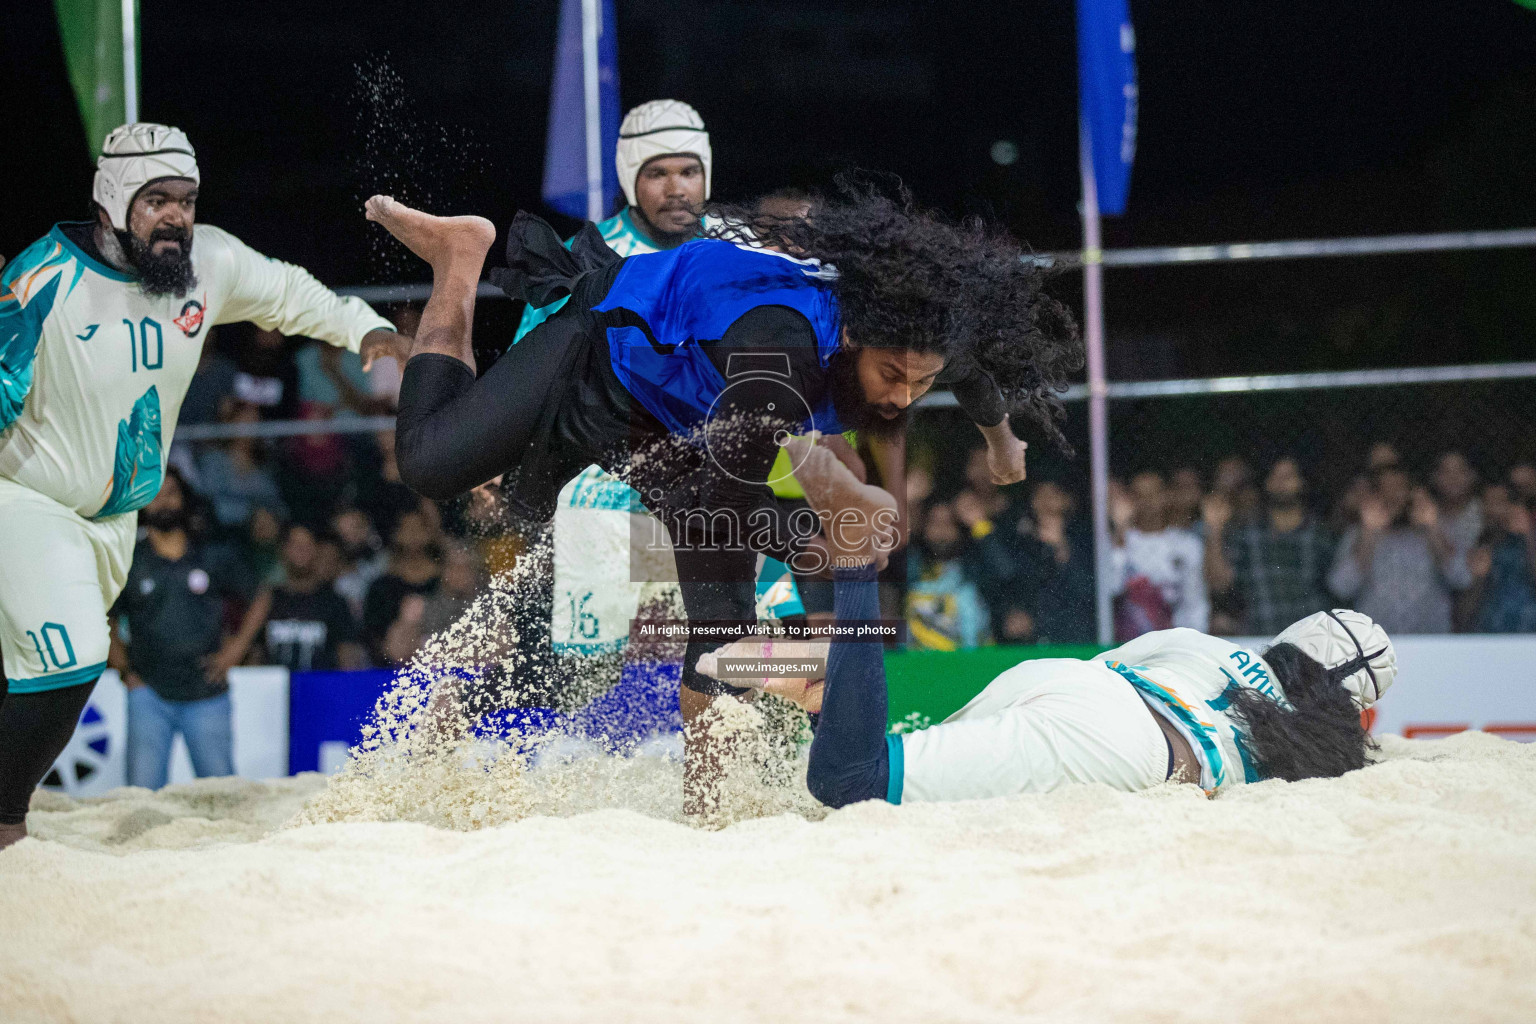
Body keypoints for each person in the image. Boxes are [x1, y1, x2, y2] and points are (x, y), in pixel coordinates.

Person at [364, 174, 1077, 809]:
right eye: (893, 375)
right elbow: (738, 478)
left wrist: (1000, 438)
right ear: (856, 337)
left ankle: (709, 805)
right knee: (430, 465)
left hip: (682, 426)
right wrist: (830, 510)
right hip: (601, 358)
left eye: (922, 383)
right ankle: (459, 260)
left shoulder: (911, 332)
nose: (902, 395)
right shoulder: (783, 348)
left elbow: (970, 368)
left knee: (725, 617)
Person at [0, 123, 410, 849]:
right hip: (30, 504)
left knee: (34, 674)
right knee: (71, 661)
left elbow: (287, 292)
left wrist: (365, 329)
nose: (177, 217)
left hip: (114, 522)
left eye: (186, 200)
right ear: (111, 203)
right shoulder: (41, 279)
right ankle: (6, 828)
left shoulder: (210, 262)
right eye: (156, 199)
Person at [708, 438, 1396, 808]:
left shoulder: (1208, 646)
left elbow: (1108, 667)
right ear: (1347, 708)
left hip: (1082, 688)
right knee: (853, 781)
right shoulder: (1314, 754)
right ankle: (854, 571)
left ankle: (759, 659)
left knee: (883, 763)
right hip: (1126, 747)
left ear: (1290, 640)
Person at [106, 468, 269, 789]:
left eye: (171, 493)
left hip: (206, 692)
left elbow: (261, 595)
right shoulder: (130, 560)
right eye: (154, 495)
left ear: (185, 499)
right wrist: (124, 667)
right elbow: (105, 615)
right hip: (148, 693)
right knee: (141, 794)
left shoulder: (211, 553)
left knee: (221, 793)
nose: (164, 502)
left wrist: (236, 649)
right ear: (140, 503)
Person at [1327, 466, 1470, 634]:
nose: (1392, 496)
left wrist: (1432, 528)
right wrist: (1368, 535)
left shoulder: (1440, 529)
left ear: (1414, 494)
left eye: (1399, 489)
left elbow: (1462, 578)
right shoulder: (1358, 534)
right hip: (1377, 647)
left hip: (1431, 644)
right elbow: (1340, 587)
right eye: (1385, 490)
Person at [1205, 456, 1336, 635]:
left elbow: (1340, 587)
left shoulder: (1321, 534)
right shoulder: (1246, 534)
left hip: (1312, 641)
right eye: (1276, 476)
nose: (1281, 483)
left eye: (1288, 476)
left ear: (1302, 482)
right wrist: (1214, 530)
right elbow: (1220, 583)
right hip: (1261, 640)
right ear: (1266, 482)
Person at [1110, 471, 1210, 640]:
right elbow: (1112, 587)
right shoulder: (1118, 543)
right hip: (1129, 644)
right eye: (1140, 496)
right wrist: (1120, 532)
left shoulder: (1187, 544)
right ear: (1131, 501)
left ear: (1166, 496)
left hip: (1175, 643)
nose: (1148, 502)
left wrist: (1196, 641)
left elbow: (1194, 600)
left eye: (1154, 494)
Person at [263, 523, 366, 672]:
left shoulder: (335, 602)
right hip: (271, 690)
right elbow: (254, 652)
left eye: (307, 544)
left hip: (321, 690)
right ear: (283, 550)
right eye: (295, 544)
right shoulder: (268, 600)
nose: (301, 550)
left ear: (317, 550)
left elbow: (347, 658)